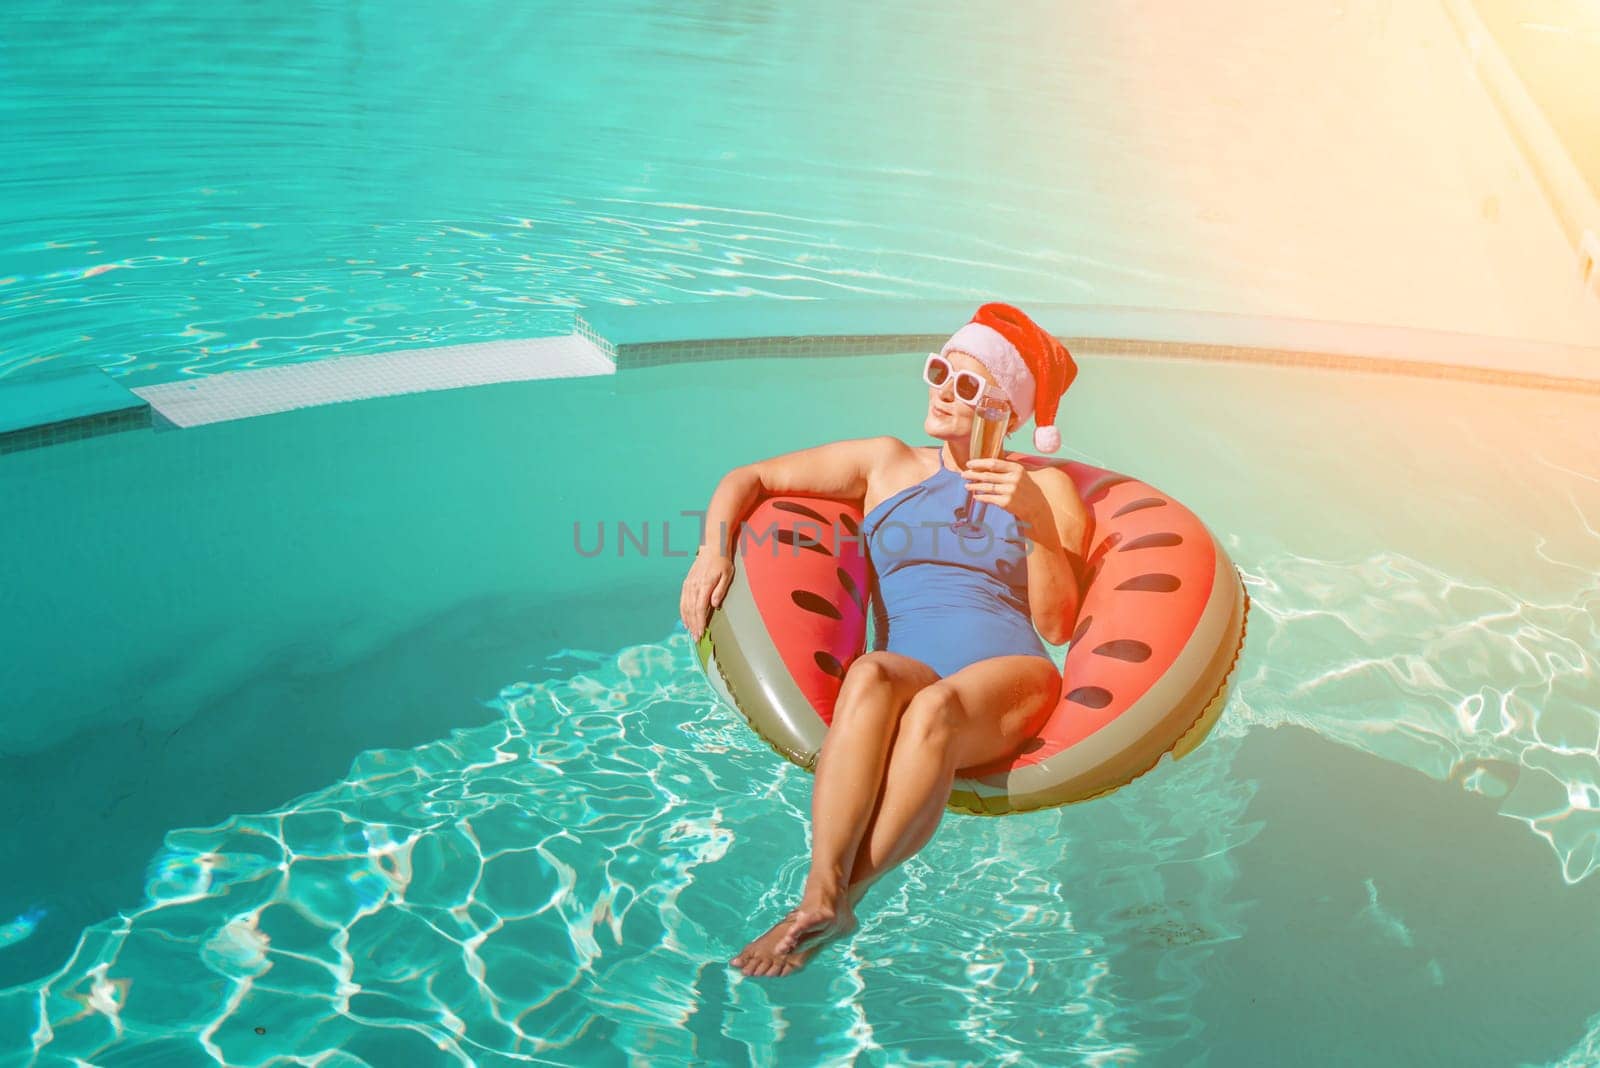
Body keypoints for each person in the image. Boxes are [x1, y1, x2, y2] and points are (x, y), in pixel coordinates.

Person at [679, 303, 1089, 978]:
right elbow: (749, 478)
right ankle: (821, 891)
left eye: (966, 386)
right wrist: (713, 552)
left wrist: (1036, 521)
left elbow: (1057, 626)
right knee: (868, 674)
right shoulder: (885, 464)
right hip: (912, 667)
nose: (941, 391)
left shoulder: (1045, 487)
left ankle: (847, 894)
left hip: (1009, 673)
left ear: (1006, 412)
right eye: (938, 371)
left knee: (934, 711)